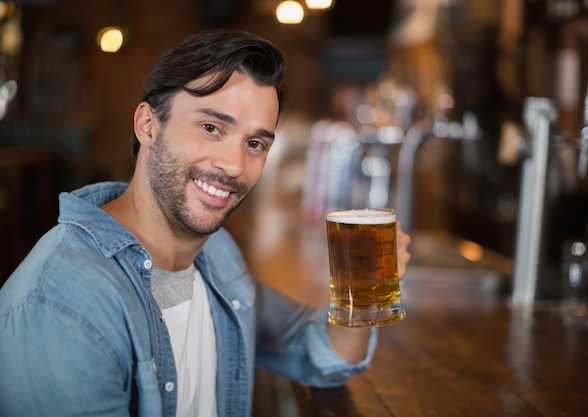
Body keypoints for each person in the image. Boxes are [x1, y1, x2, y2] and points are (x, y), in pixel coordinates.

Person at [0, 29, 411, 417]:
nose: (233, 165)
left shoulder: (217, 254)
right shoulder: (59, 304)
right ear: (148, 124)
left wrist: (365, 290)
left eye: (254, 143)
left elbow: (319, 352)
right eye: (211, 128)